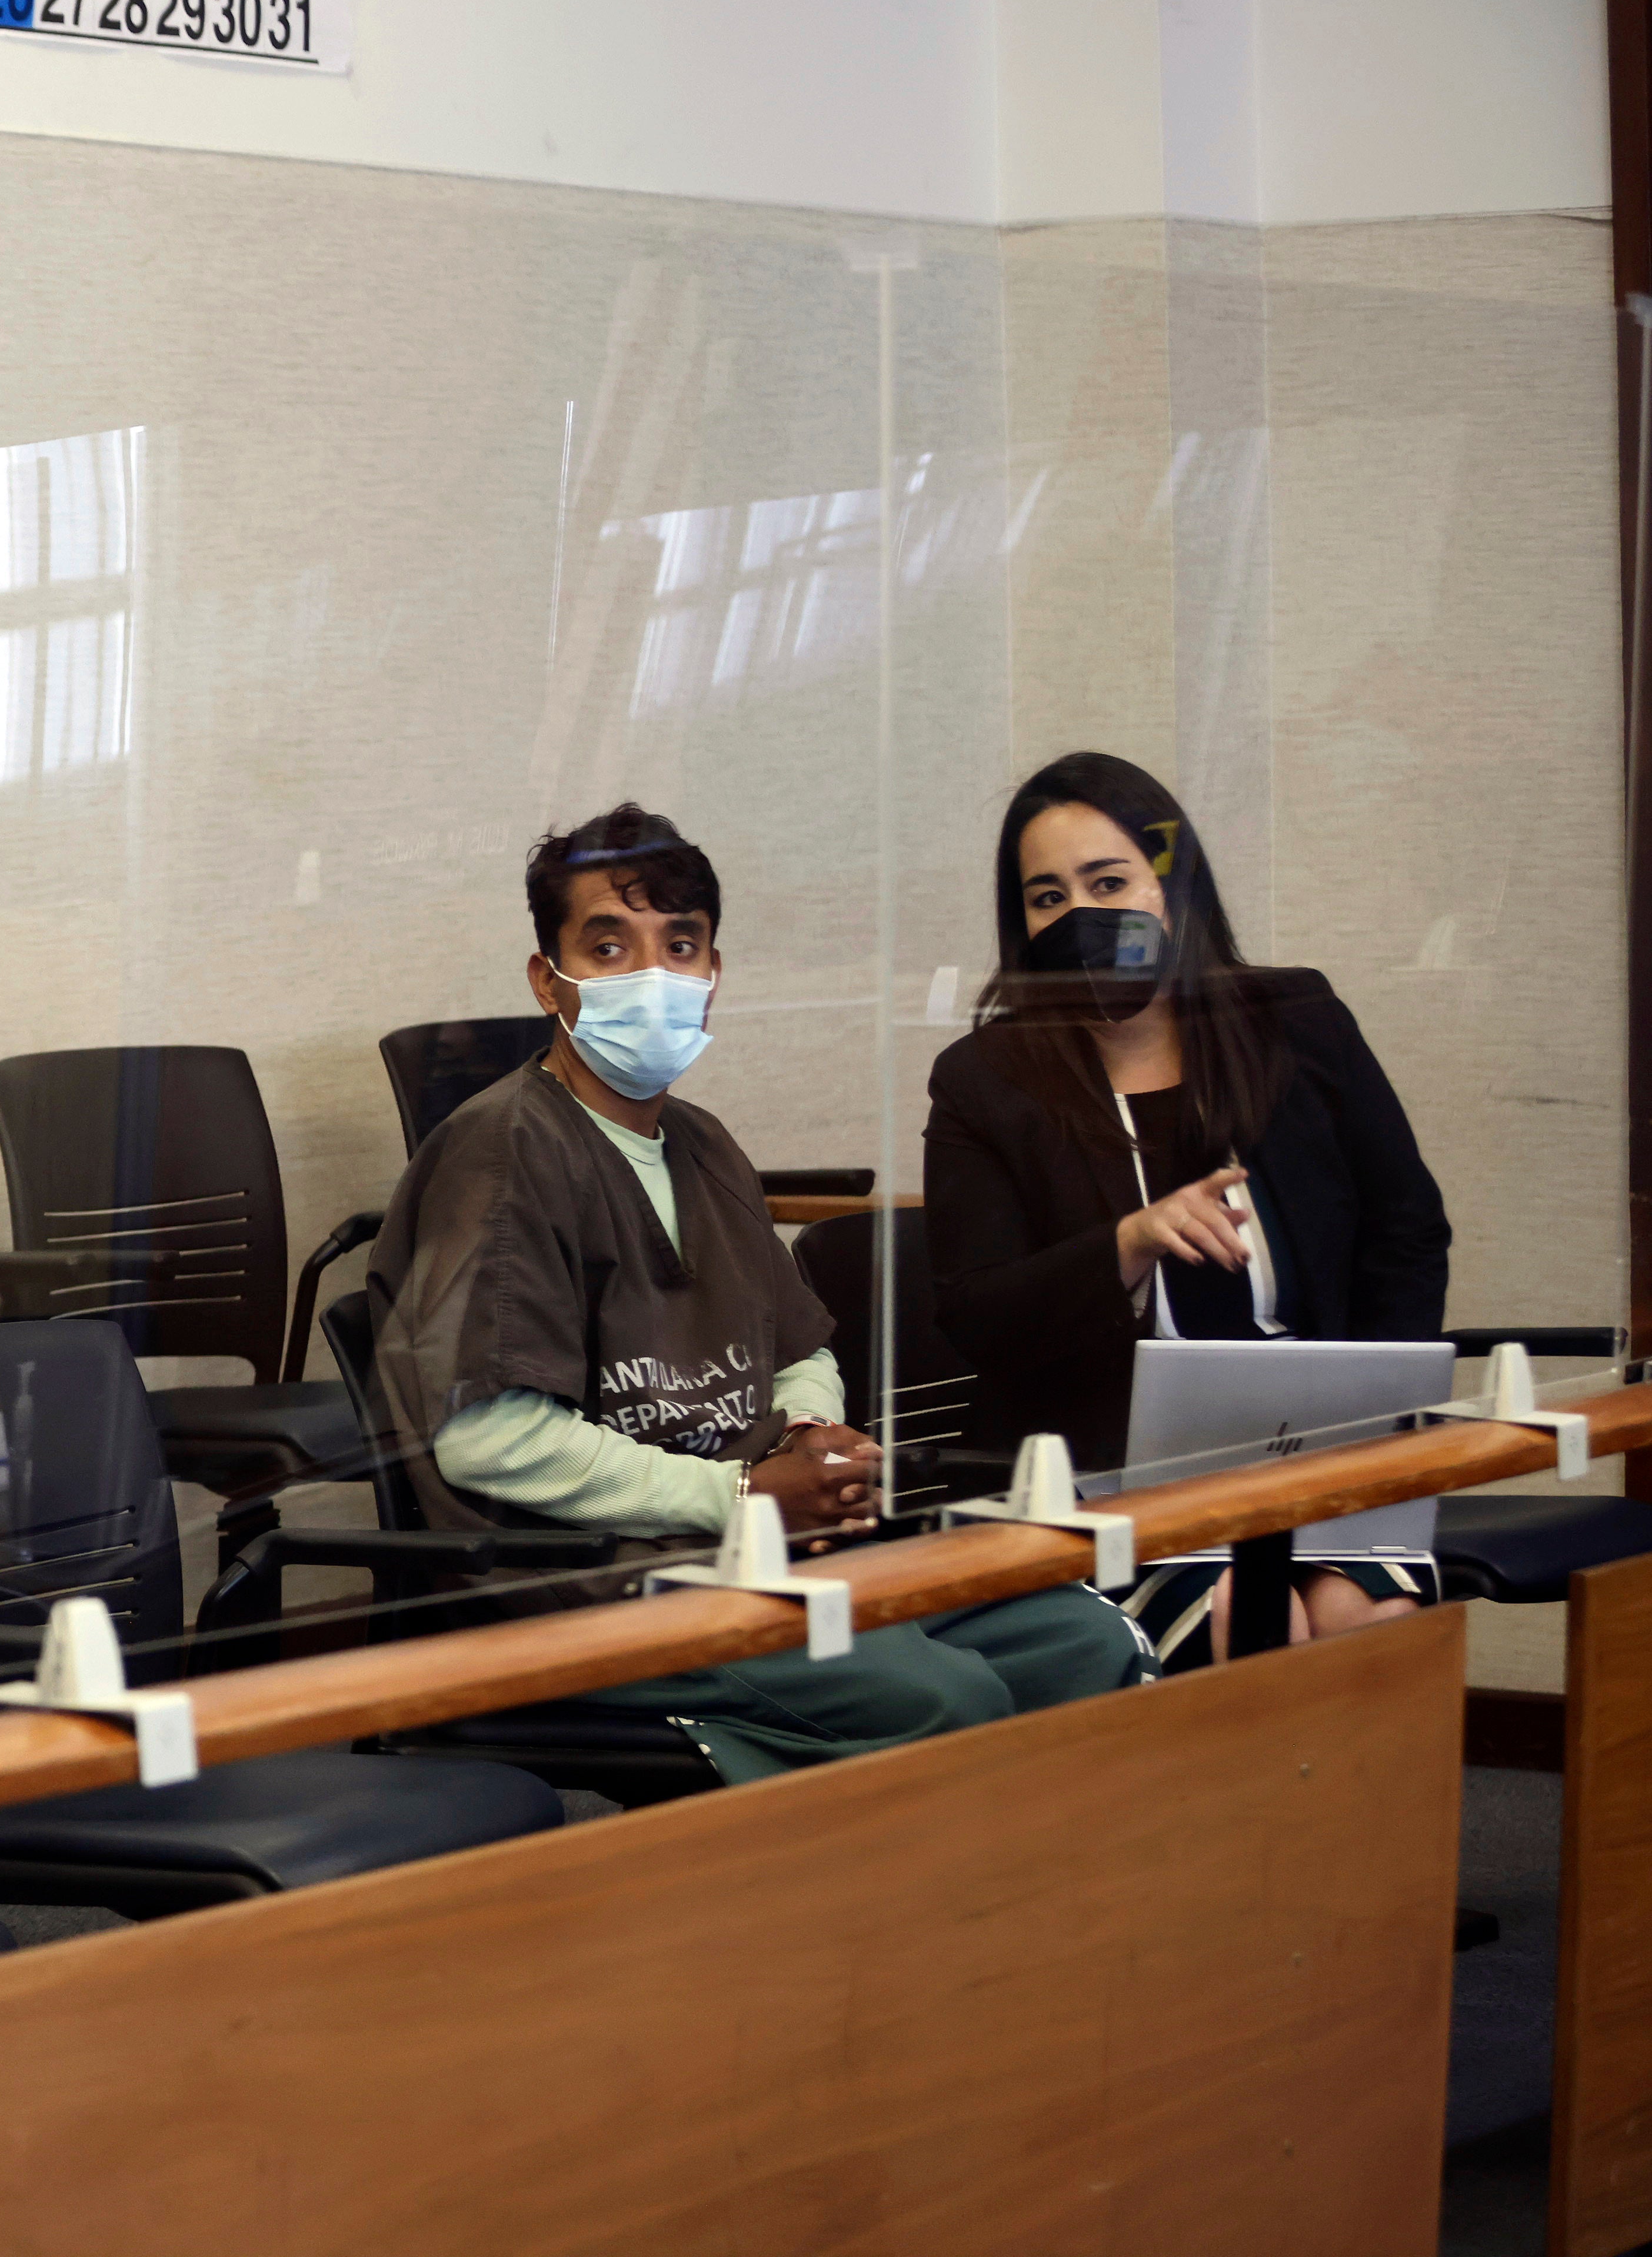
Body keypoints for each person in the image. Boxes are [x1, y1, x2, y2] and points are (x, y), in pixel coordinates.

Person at [362, 803, 1154, 1780]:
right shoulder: (505, 1152)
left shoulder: (703, 1144)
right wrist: (741, 1494)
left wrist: (807, 1439)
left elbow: (797, 1348)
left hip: (768, 1554)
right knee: (948, 1698)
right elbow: (489, 1437)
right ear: (549, 982)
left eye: (679, 945)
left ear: (712, 974)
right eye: (609, 946)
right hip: (603, 1595)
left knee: (1081, 1640)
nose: (652, 974)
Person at [924, 750, 1451, 1667]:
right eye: (1048, 898)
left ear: (1175, 889)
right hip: (1109, 1473)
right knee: (1256, 1627)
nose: (1081, 916)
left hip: (1317, 1449)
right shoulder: (985, 1078)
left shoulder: (1297, 1021)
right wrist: (1125, 1245)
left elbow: (1405, 1230)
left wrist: (1373, 1418)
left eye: (1109, 881)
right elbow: (976, 1313)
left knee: (1365, 1621)